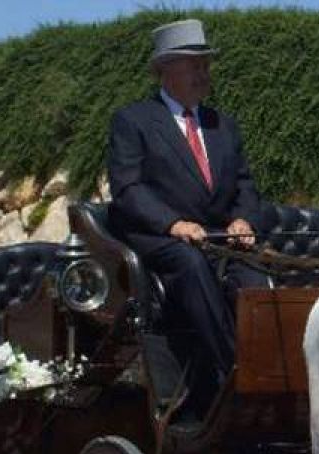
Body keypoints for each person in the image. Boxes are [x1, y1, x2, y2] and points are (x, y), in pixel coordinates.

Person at [107, 18, 265, 420]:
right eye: (194, 65)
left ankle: (273, 377)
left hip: (217, 239)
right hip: (160, 239)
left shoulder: (221, 125)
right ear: (165, 69)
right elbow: (128, 189)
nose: (203, 73)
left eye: (206, 65)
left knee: (255, 277)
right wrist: (173, 224)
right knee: (191, 267)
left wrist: (243, 219)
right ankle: (231, 375)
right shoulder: (134, 121)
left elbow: (245, 184)